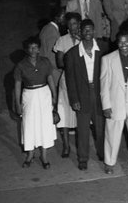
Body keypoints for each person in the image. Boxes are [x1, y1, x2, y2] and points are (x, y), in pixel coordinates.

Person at [64, 19, 107, 170]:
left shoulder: (103, 48)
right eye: (85, 30)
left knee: (100, 126)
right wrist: (74, 99)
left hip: (99, 93)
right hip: (82, 94)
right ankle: (83, 158)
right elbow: (70, 79)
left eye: (91, 30)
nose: (88, 33)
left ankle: (103, 153)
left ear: (94, 31)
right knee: (82, 129)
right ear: (80, 32)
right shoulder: (72, 54)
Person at [100, 31, 128, 174]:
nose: (124, 45)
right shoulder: (108, 59)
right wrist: (106, 105)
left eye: (126, 41)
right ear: (117, 42)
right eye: (121, 42)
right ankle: (109, 162)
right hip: (115, 102)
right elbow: (104, 84)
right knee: (112, 134)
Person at [15, 37, 57, 169]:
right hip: (29, 95)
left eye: (36, 47)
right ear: (27, 50)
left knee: (45, 124)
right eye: (30, 47)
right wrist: (18, 103)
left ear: (39, 48)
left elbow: (50, 78)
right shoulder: (21, 65)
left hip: (44, 94)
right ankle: (30, 154)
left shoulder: (45, 62)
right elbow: (17, 85)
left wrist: (54, 95)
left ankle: (44, 155)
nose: (33, 50)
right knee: (29, 124)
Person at [53, 12, 81, 157]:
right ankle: (65, 145)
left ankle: (81, 145)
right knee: (64, 112)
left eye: (75, 23)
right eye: (70, 24)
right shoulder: (62, 40)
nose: (72, 27)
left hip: (81, 80)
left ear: (79, 24)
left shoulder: (85, 40)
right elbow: (59, 62)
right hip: (67, 79)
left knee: (81, 114)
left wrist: (80, 42)